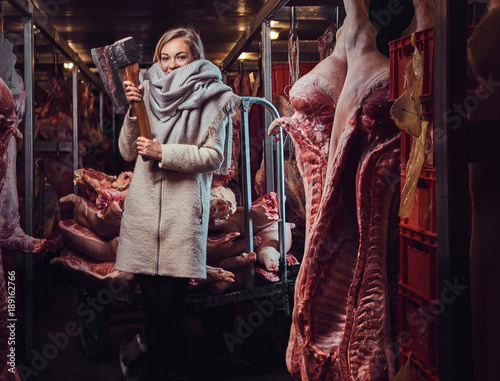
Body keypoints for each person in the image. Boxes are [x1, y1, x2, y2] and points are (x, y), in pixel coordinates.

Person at [115, 27, 240, 381]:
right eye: (164, 58)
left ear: (195, 58)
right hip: (142, 215)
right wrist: (132, 109)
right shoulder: (145, 91)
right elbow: (126, 151)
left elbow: (216, 157)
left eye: (180, 57)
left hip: (181, 217)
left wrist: (163, 152)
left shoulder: (215, 98)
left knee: (171, 308)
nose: (170, 66)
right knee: (151, 311)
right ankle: (156, 374)